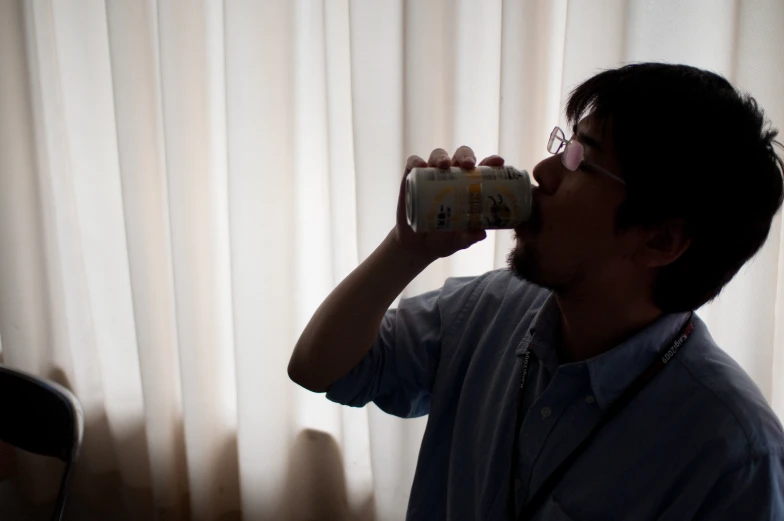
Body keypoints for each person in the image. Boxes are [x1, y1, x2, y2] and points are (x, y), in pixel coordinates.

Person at [288, 63, 784, 520]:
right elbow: (320, 368)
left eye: (580, 161)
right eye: (562, 145)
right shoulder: (490, 308)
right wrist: (406, 249)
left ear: (659, 240)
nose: (543, 172)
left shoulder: (735, 455)